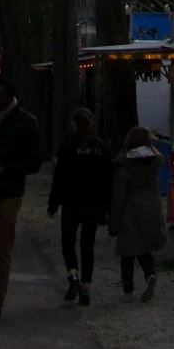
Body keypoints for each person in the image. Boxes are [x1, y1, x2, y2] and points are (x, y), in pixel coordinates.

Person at [0, 73, 43, 322]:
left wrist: (6, 167)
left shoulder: (25, 122)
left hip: (10, 192)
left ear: (11, 97)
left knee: (2, 249)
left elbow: (35, 161)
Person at [45, 107, 109, 306]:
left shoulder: (67, 148)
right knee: (87, 245)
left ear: (73, 125)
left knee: (68, 241)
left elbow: (60, 178)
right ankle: (86, 288)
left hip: (72, 202)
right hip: (93, 203)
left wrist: (53, 204)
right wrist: (107, 207)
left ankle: (73, 275)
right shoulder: (102, 148)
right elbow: (109, 179)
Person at [107, 125, 166, 304]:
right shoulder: (155, 162)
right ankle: (150, 274)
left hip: (131, 210)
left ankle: (128, 291)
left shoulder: (124, 165)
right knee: (144, 249)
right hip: (152, 209)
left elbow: (119, 195)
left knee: (128, 252)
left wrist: (113, 222)